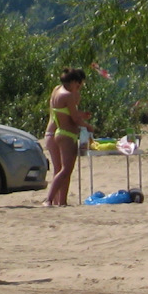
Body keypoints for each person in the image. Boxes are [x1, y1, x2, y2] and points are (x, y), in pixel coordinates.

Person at [44, 68, 90, 207]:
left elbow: (65, 112)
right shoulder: (70, 94)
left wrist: (80, 114)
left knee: (59, 170)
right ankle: (53, 200)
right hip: (61, 132)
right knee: (64, 170)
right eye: (80, 84)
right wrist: (86, 124)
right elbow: (72, 117)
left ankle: (59, 201)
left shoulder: (57, 90)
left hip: (51, 132)